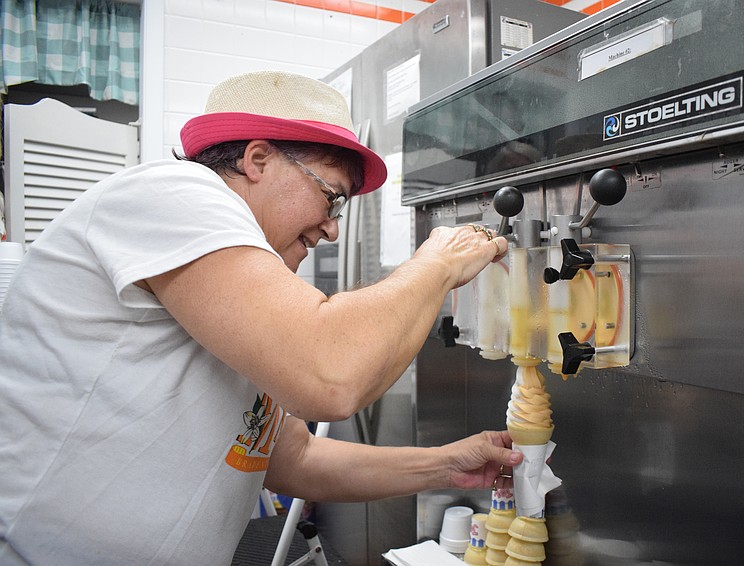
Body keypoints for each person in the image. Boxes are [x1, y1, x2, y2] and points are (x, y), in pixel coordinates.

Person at [0, 71, 516, 565]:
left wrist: (447, 463)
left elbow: (291, 458)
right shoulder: (173, 193)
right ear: (258, 159)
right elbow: (332, 375)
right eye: (331, 197)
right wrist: (439, 262)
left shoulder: (242, 282)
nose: (333, 230)